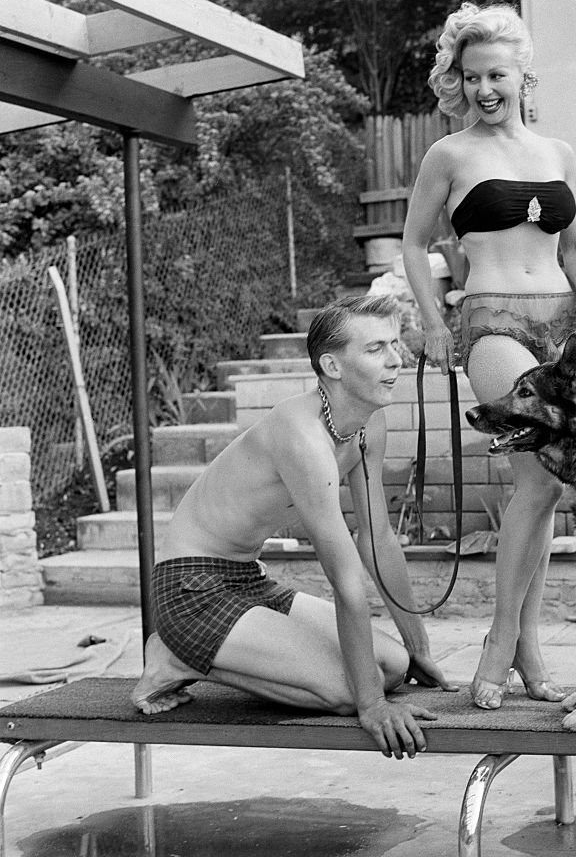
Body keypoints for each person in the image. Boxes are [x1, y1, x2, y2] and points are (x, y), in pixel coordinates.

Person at [131, 294, 456, 759]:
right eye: (375, 349)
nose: (395, 360)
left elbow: (378, 538)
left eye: (395, 344)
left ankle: (203, 654)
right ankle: (176, 655)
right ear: (333, 366)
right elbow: (345, 578)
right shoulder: (302, 437)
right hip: (190, 589)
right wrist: (372, 707)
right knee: (350, 692)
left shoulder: (368, 424)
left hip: (247, 580)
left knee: (393, 665)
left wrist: (418, 646)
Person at [402, 1, 576, 710]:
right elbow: (413, 243)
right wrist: (433, 320)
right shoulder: (450, 155)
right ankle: (500, 641)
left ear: (523, 75)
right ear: (457, 81)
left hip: (560, 320)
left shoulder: (559, 155)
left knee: (550, 490)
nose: (484, 88)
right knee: (538, 481)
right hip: (491, 319)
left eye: (497, 74)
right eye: (471, 76)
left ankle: (527, 648)